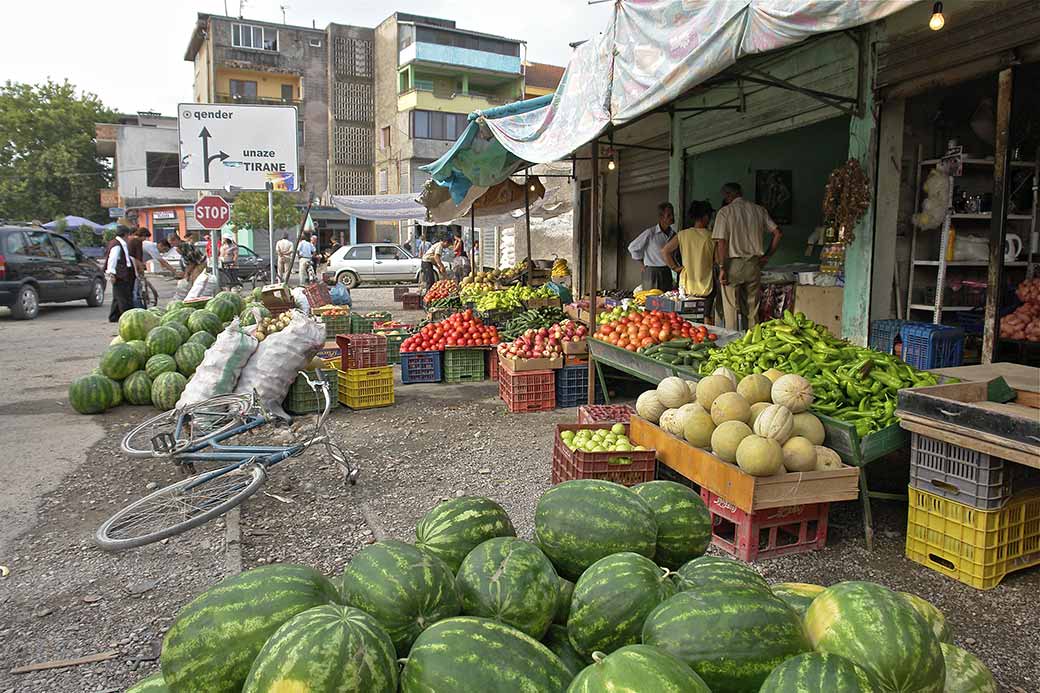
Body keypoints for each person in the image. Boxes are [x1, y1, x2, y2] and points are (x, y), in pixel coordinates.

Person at [712, 182, 783, 331]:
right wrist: (767, 256)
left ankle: (731, 343)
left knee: (730, 307)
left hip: (732, 265)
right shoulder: (759, 210)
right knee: (752, 309)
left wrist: (722, 267)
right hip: (753, 264)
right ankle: (752, 342)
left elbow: (721, 242)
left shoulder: (725, 212)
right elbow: (778, 233)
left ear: (728, 195)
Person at [660, 200, 717, 325]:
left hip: (687, 285)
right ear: (706, 217)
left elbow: (665, 251)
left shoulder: (683, 234)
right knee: (706, 316)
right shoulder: (712, 236)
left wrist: (675, 268)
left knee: (685, 319)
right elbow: (717, 259)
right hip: (706, 285)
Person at [627, 202, 677, 292]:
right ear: (661, 217)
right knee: (652, 301)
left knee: (667, 299)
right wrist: (641, 263)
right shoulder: (650, 233)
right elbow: (632, 247)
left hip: (666, 271)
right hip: (652, 272)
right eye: (668, 215)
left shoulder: (673, 235)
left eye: (672, 214)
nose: (672, 217)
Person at [103, 225, 137, 322]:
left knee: (117, 296)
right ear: (126, 234)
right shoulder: (117, 245)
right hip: (120, 274)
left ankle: (114, 316)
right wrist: (111, 273)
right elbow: (112, 259)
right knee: (124, 297)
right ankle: (127, 318)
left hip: (123, 272)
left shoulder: (120, 243)